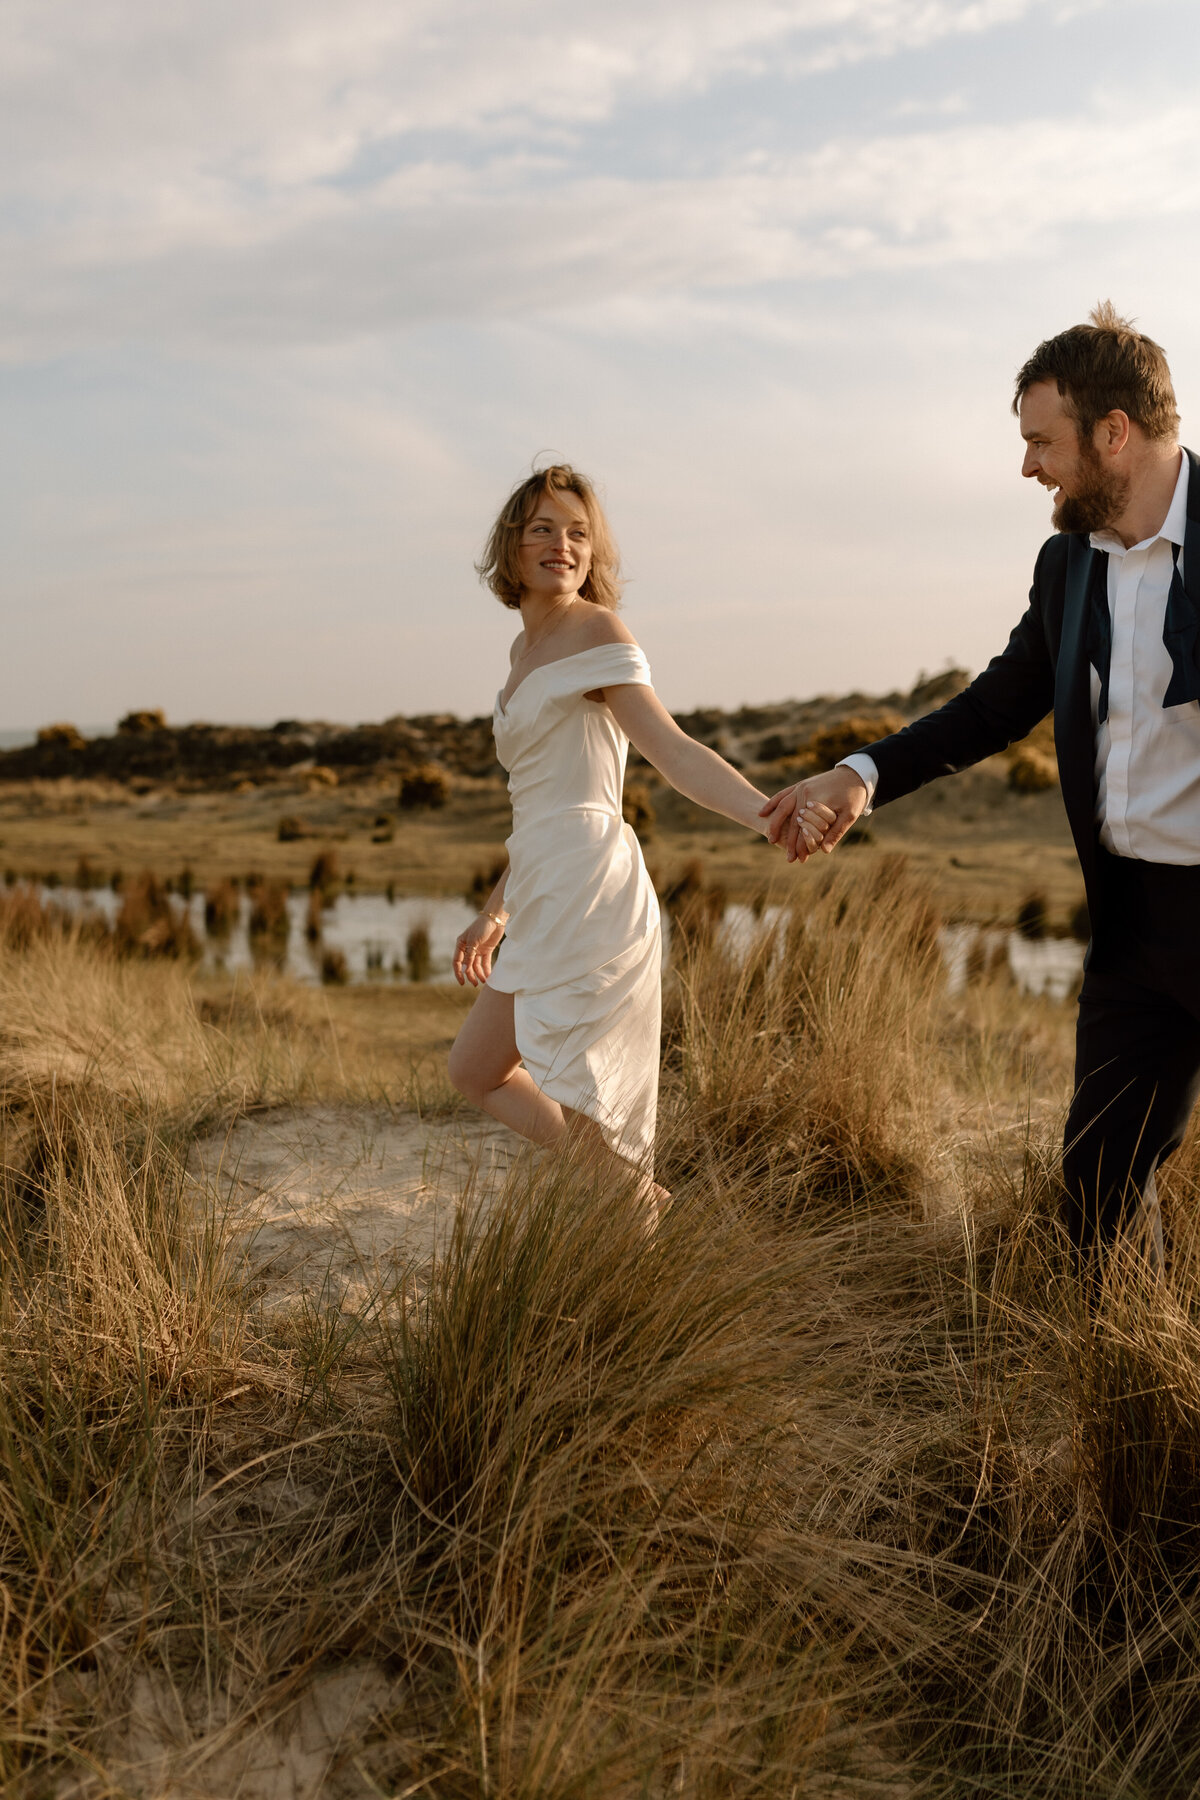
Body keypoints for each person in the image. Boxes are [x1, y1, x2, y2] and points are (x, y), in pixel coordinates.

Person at [761, 303, 1200, 1273]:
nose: (1029, 467)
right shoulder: (1067, 567)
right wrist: (859, 774)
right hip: (1136, 926)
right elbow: (995, 705)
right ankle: (1148, 1407)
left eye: (1043, 442)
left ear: (1112, 433)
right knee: (1097, 1194)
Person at [448, 464, 831, 1200]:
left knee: (593, 1119)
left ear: (593, 552)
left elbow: (674, 750)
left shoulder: (596, 631)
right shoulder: (520, 654)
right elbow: (539, 810)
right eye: (543, 530)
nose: (563, 545)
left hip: (590, 893)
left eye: (578, 533)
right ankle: (632, 1193)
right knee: (475, 1070)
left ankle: (633, 1225)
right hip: (542, 886)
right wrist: (494, 911)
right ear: (512, 546)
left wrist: (765, 814)